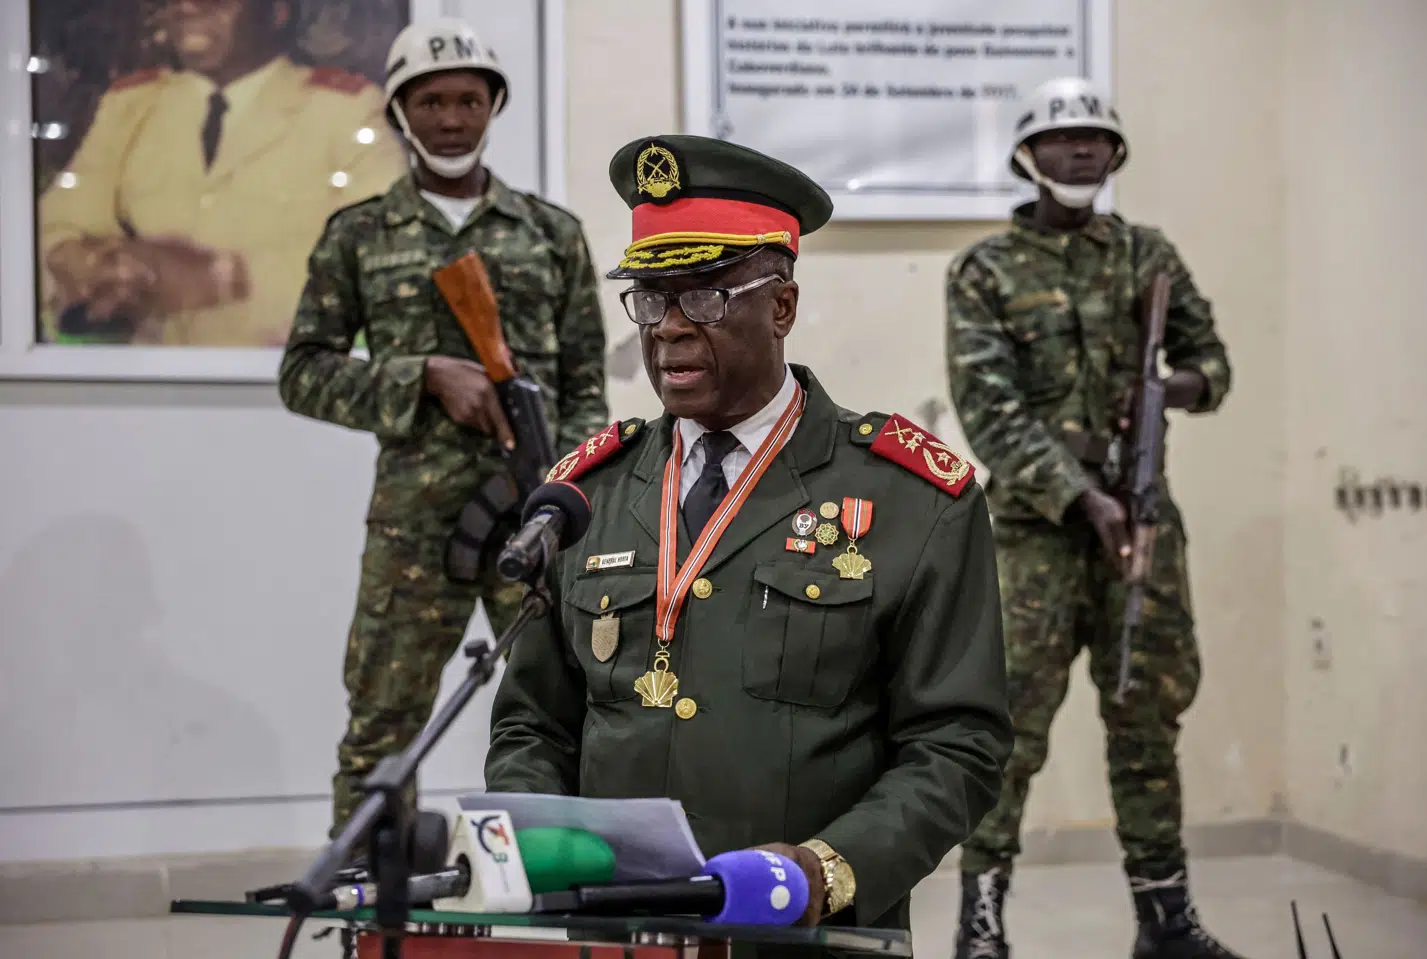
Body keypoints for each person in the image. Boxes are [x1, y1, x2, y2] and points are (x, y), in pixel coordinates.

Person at [484, 133, 1014, 954]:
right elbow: (531, 726)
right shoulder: (590, 493)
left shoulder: (913, 500)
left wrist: (822, 868)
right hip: (615, 936)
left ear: (783, 306)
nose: (668, 330)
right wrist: (547, 854)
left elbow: (959, 744)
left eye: (704, 295)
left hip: (810, 937)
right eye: (651, 298)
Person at [277, 17, 608, 840]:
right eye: (430, 101)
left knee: (562, 713)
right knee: (383, 726)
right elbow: (303, 371)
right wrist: (421, 375)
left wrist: (570, 491)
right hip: (414, 525)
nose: (452, 118)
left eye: (468, 99)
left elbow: (587, 386)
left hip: (530, 515)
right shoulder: (357, 235)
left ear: (493, 106)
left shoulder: (551, 233)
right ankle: (367, 899)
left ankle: (566, 886)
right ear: (399, 113)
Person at [945, 77, 1243, 959]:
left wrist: (1170, 387)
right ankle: (981, 923)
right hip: (1036, 535)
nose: (1080, 152)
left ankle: (1165, 921)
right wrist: (1081, 495)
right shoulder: (985, 270)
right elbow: (988, 410)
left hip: (1143, 525)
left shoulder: (1150, 257)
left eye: (1095, 138)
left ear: (1115, 154)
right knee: (1008, 730)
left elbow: (1215, 364)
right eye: (1062, 138)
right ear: (1028, 156)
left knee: (1146, 719)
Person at [37, 0, 406, 347]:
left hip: (277, 382)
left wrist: (224, 279)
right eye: (175, 0)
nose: (187, 7)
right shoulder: (132, 104)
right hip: (151, 380)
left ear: (276, 12)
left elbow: (384, 257)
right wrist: (75, 260)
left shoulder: (345, 109)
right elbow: (58, 221)